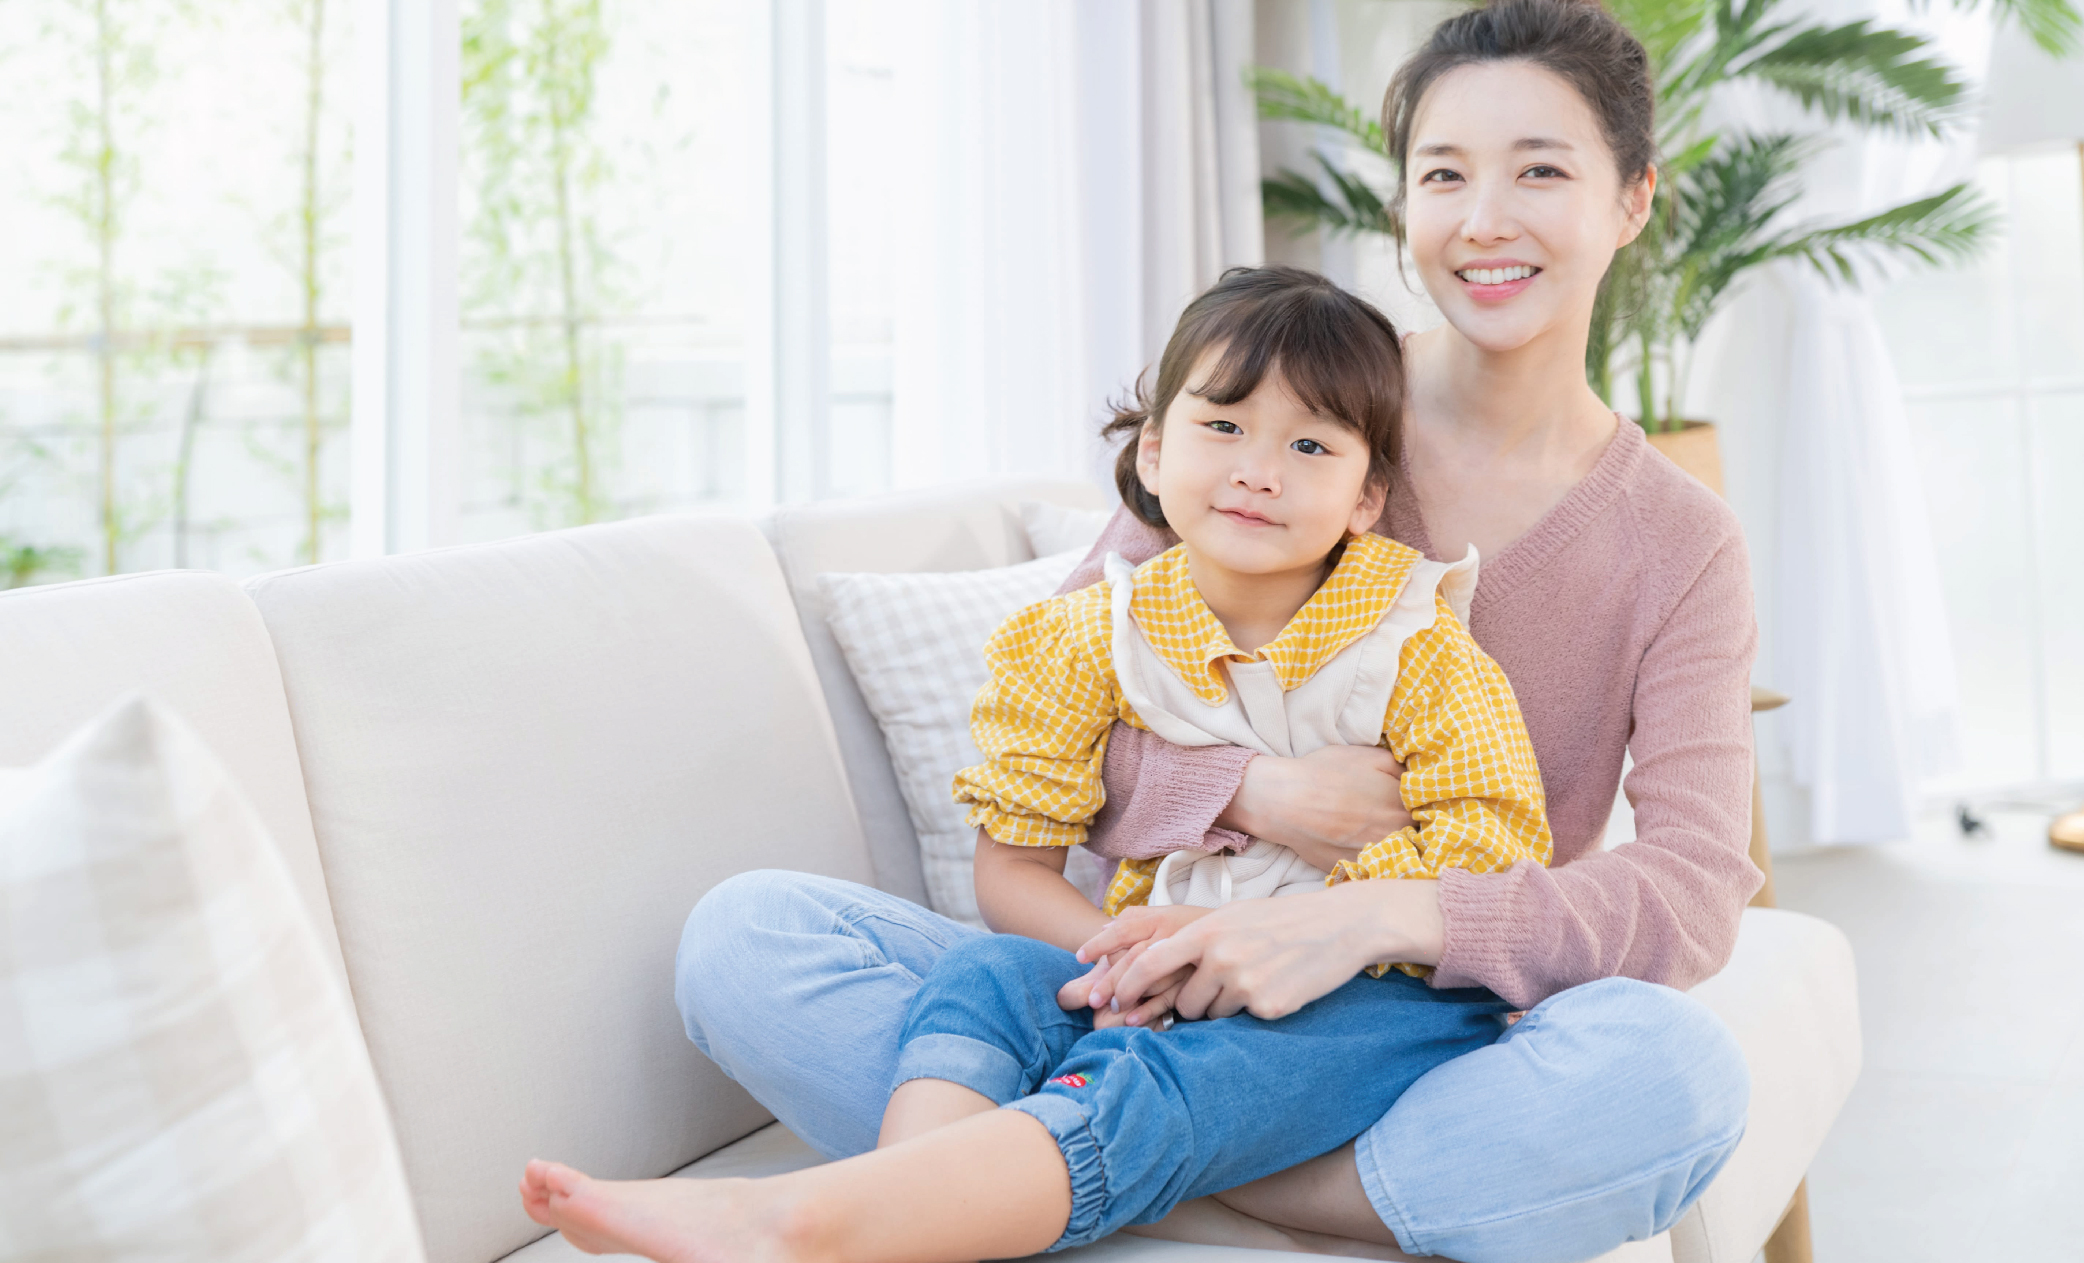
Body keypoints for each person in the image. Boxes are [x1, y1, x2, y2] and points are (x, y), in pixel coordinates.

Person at [590, 0, 1763, 1259]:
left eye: (1538, 171)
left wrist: (1373, 920)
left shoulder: (1678, 541)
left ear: (1631, 199)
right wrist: (1250, 793)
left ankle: (1038, 1175)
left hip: (1392, 1031)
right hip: (1141, 987)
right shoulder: (1271, 400)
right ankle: (1156, 1167)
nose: (1482, 218)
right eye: (1441, 174)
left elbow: (1692, 888)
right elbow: (1055, 708)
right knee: (749, 937)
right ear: (1401, 204)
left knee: (1670, 1075)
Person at [521, 262, 1563, 1260]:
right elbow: (1012, 872)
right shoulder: (1083, 638)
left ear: (1367, 496)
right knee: (987, 975)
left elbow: (1497, 851)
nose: (1257, 467)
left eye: (1309, 445)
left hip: (1370, 995)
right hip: (1153, 980)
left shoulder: (1419, 641)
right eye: (1223, 425)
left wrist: (1258, 939)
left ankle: (833, 1220)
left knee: (1172, 1068)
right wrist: (1137, 961)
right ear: (1152, 453)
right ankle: (907, 1215)